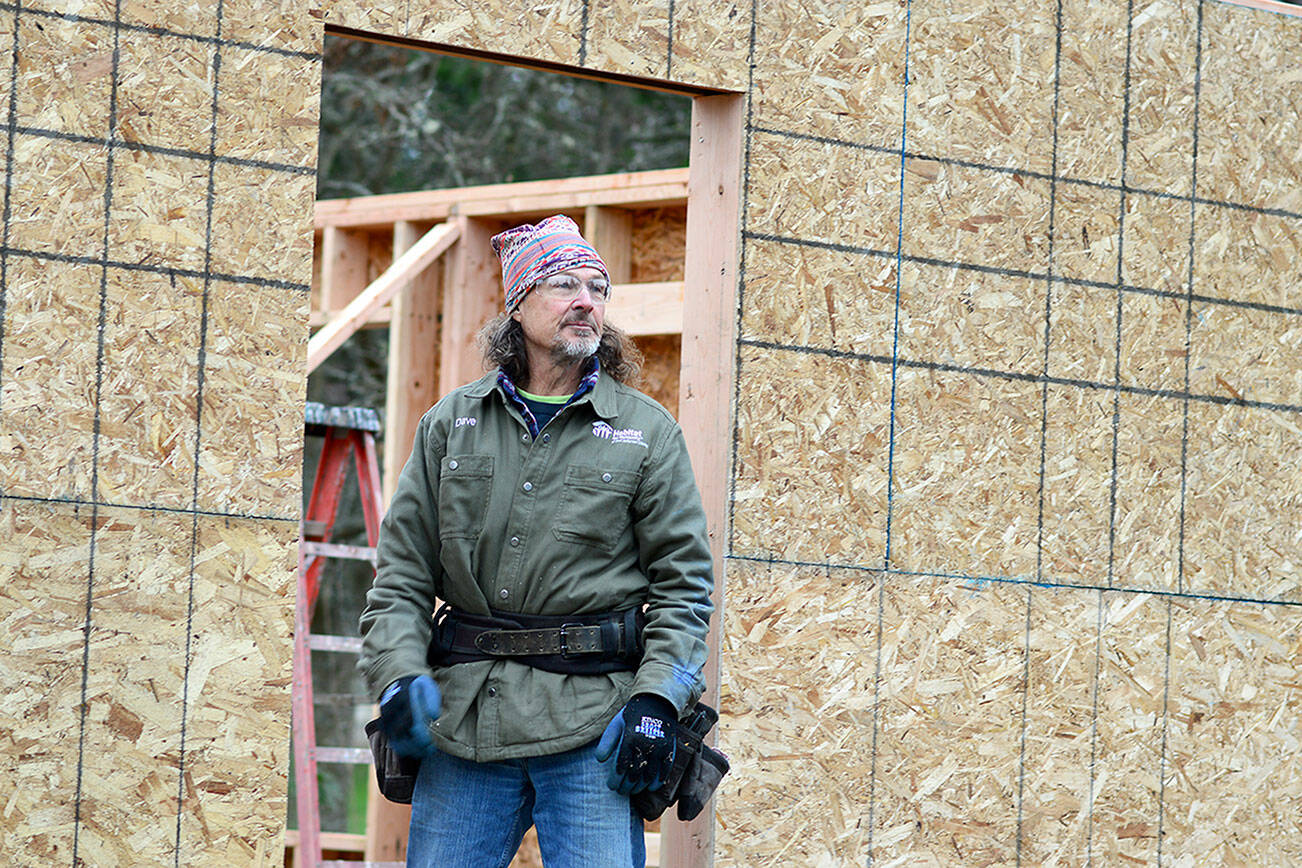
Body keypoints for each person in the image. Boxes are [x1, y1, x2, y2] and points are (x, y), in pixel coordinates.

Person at [359, 214, 715, 867]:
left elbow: (683, 588)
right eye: (562, 284)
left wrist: (658, 699)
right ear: (517, 306)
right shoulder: (451, 424)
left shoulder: (645, 432)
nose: (586, 300)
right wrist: (396, 678)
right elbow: (403, 577)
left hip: (593, 728)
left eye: (598, 289)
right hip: (464, 723)